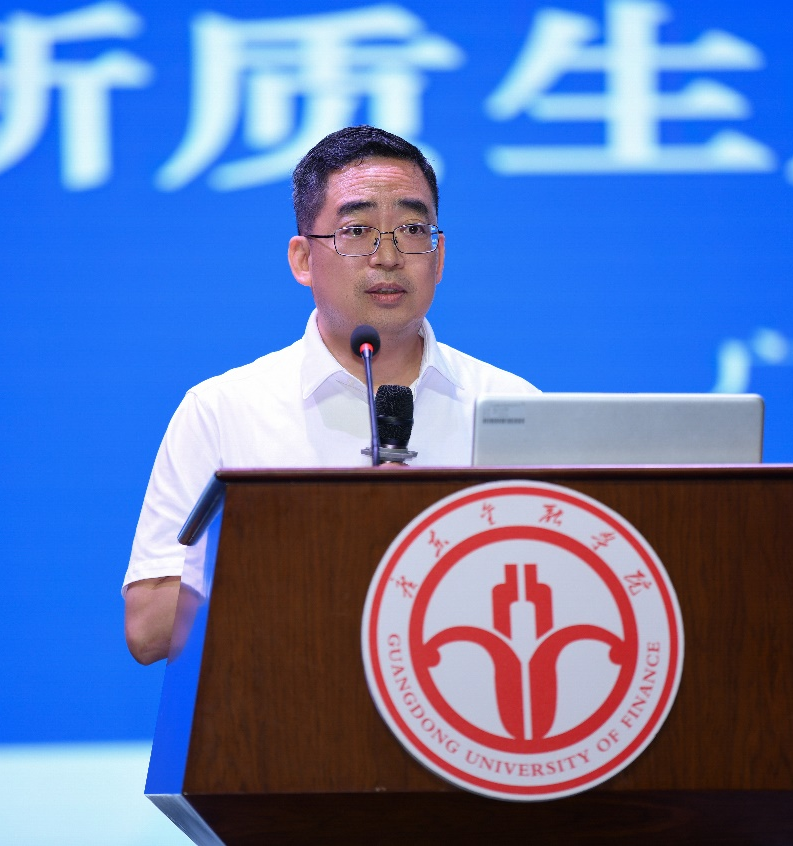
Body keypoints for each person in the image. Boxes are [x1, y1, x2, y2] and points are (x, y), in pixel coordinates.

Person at [123, 125, 537, 664]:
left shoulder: (509, 404)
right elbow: (148, 629)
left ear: (438, 259)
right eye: (357, 231)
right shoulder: (224, 409)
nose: (387, 256)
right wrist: (327, 540)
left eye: (412, 229)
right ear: (302, 259)